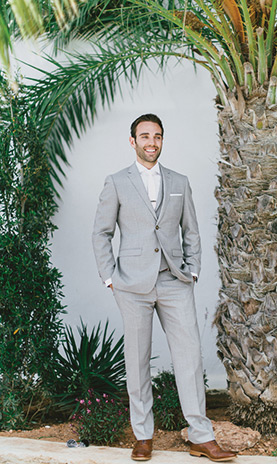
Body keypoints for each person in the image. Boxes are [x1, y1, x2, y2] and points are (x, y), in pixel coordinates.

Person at [92, 114, 236, 462]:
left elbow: (192, 231)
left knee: (189, 357)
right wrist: (110, 278)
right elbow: (101, 233)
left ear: (162, 140)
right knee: (137, 361)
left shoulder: (179, 181)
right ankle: (143, 436)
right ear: (133, 141)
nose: (151, 142)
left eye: (157, 136)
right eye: (144, 136)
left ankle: (201, 436)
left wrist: (194, 271)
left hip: (174, 280)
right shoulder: (116, 182)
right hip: (132, 284)